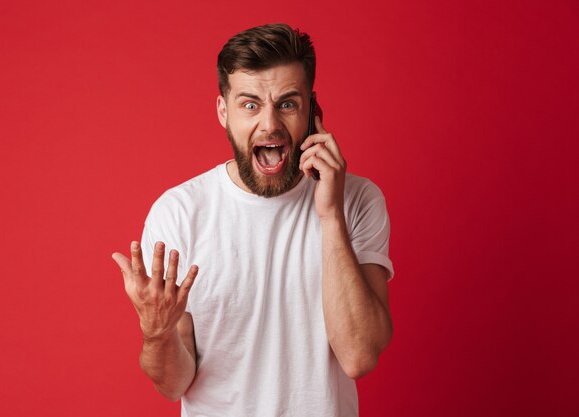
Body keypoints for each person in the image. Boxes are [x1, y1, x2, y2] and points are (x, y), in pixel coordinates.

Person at [112, 23, 394, 417]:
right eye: (250, 105)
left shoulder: (358, 201)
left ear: (313, 111)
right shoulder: (179, 212)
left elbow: (359, 356)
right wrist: (156, 332)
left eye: (287, 104)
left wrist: (330, 215)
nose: (270, 125)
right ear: (223, 112)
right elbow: (174, 384)